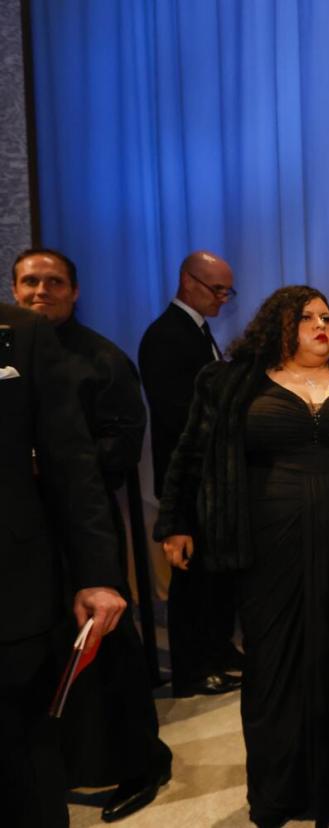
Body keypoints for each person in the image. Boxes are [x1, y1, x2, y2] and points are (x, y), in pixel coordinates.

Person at [153, 286, 329, 827]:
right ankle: (279, 792)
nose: (320, 325)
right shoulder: (232, 382)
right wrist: (175, 523)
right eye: (306, 318)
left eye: (326, 317)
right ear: (277, 326)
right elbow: (190, 452)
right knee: (273, 662)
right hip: (267, 541)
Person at [11, 248, 172, 821]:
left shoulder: (102, 358)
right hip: (22, 537)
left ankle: (140, 763)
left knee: (109, 648)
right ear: (13, 287)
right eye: (30, 281)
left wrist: (43, 463)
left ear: (74, 292)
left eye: (53, 282)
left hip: (86, 525)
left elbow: (122, 446)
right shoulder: (10, 352)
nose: (40, 291)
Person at [0, 302, 128, 827]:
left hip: (11, 585)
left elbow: (71, 462)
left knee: (22, 757)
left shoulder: (22, 333)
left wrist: (97, 574)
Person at [138, 250, 243, 696]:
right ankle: (190, 668)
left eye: (227, 290)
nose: (223, 298)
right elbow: (177, 417)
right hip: (190, 479)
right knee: (191, 577)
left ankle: (215, 651)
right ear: (188, 282)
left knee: (213, 576)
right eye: (217, 289)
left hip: (210, 477)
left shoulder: (196, 332)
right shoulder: (165, 336)